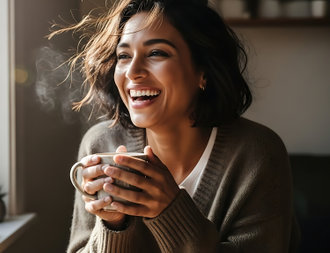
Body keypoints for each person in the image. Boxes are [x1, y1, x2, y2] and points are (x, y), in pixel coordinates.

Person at [51, 0, 300, 252]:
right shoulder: (100, 144)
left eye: (157, 53)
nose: (133, 71)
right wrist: (114, 225)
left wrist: (171, 212)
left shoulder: (257, 153)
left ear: (202, 71)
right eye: (123, 56)